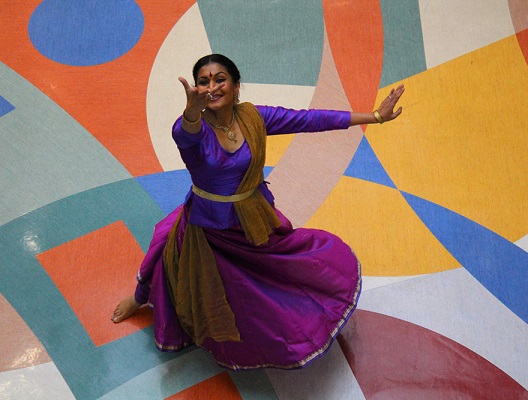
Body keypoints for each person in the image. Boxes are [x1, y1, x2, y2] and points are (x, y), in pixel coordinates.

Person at [112, 54, 405, 370]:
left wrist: (374, 116)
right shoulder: (190, 128)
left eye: (220, 79)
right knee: (183, 269)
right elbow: (186, 134)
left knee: (277, 272)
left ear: (236, 85)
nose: (212, 87)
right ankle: (140, 297)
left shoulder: (253, 117)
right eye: (204, 81)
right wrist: (191, 114)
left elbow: (309, 119)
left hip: (253, 220)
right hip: (210, 228)